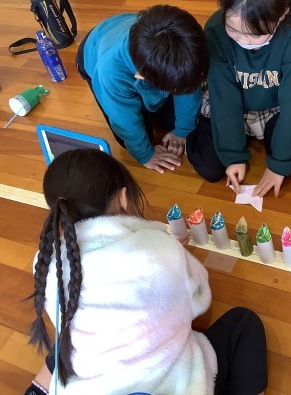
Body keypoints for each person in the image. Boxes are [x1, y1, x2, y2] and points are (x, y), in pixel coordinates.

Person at [24, 148, 268, 395]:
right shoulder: (156, 252)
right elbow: (198, 300)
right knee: (243, 323)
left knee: (66, 346)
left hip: (90, 386)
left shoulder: (47, 263)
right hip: (166, 383)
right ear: (123, 197)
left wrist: (162, 252)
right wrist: (169, 254)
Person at [187, 0, 291, 198]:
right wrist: (233, 156)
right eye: (234, 30)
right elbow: (224, 97)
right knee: (210, 167)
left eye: (255, 35)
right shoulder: (215, 31)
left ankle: (264, 142)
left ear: (281, 15)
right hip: (232, 104)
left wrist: (278, 165)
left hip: (275, 106)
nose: (244, 41)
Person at [76, 5, 209, 173]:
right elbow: (124, 120)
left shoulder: (187, 45)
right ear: (141, 76)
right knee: (131, 138)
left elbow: (189, 83)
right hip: (93, 51)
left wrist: (183, 129)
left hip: (140, 33)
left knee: (173, 119)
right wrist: (145, 155)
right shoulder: (109, 70)